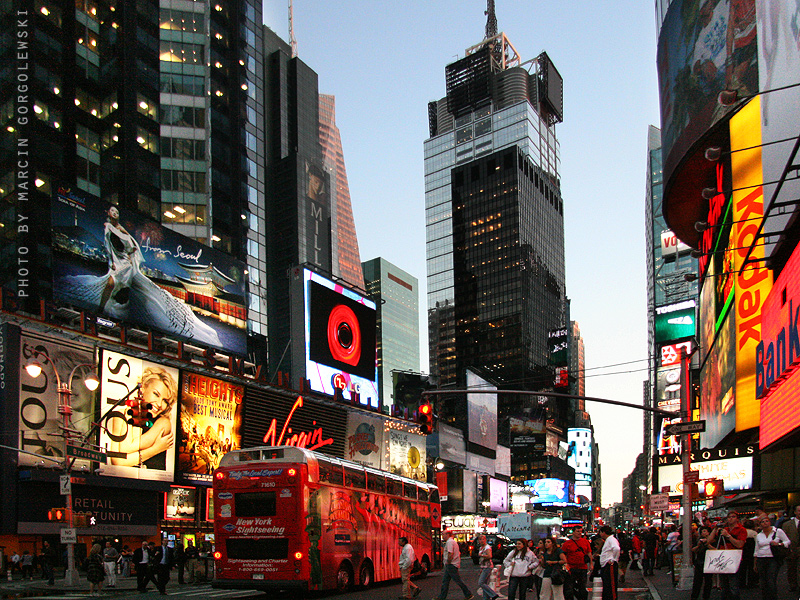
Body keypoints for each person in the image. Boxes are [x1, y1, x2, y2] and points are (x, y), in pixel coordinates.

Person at [108, 367, 178, 468]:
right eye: (156, 394)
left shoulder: (163, 423)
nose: (159, 404)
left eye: (165, 401)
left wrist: (127, 418)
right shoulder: (120, 414)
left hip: (154, 481)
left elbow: (125, 448)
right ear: (142, 389)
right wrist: (156, 448)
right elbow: (117, 461)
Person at [707, 511, 747, 600]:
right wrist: (715, 529)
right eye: (729, 517)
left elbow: (740, 544)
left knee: (733, 585)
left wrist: (728, 536)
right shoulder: (724, 529)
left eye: (733, 517)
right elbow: (709, 540)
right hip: (722, 558)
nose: (730, 519)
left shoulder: (741, 529)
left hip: (734, 558)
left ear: (737, 519)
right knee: (724, 585)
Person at [755, 514, 790, 600]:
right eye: (762, 522)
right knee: (763, 581)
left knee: (771, 580)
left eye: (766, 521)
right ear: (760, 525)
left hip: (772, 558)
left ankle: (773, 597)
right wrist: (755, 562)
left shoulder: (777, 531)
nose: (765, 523)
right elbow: (756, 549)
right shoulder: (759, 535)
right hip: (761, 558)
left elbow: (787, 541)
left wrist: (779, 544)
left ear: (770, 522)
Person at [434, 530, 474, 600]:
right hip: (451, 564)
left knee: (457, 580)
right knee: (445, 581)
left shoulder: (449, 542)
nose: (442, 536)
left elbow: (450, 553)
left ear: (447, 534)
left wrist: (448, 562)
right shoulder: (452, 542)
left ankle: (468, 594)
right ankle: (442, 597)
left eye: (443, 534)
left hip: (451, 564)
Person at [562, 525, 592, 600]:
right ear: (573, 532)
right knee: (569, 588)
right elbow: (563, 555)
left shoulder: (585, 542)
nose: (579, 533)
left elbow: (589, 553)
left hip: (582, 568)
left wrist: (591, 564)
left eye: (580, 531)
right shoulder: (567, 544)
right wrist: (566, 565)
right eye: (577, 531)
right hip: (571, 568)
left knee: (582, 587)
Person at [691, 526, 713, 600]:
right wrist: (699, 545)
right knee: (697, 581)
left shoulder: (712, 540)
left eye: (705, 531)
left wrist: (707, 544)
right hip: (699, 561)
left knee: (708, 581)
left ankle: (706, 596)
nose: (703, 533)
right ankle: (694, 596)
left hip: (709, 562)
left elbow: (715, 550)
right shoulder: (698, 540)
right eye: (702, 531)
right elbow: (693, 549)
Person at [598, 526, 620, 600]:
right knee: (607, 585)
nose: (600, 534)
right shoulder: (608, 540)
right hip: (606, 565)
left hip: (609, 565)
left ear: (604, 532)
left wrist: (614, 559)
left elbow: (617, 548)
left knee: (611, 585)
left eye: (600, 532)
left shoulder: (611, 539)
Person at [782, 504, 800, 591]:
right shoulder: (787, 524)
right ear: (795, 512)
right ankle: (793, 585)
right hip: (792, 549)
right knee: (791, 569)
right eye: (799, 511)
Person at [476, 535, 499, 600]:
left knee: (481, 582)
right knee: (484, 583)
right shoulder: (481, 548)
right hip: (483, 566)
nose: (481, 541)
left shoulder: (487, 547)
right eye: (480, 539)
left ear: (485, 540)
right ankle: (486, 598)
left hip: (487, 566)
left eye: (483, 539)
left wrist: (482, 555)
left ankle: (493, 594)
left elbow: (489, 556)